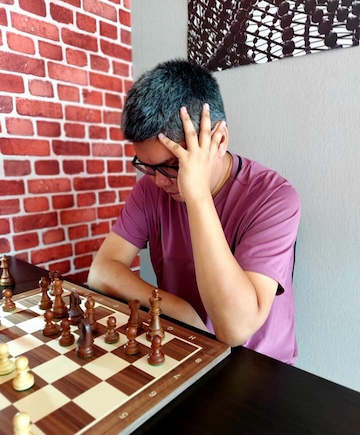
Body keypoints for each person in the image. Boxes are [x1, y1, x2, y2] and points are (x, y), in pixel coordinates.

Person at [88, 59, 301, 364]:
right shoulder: (151, 189)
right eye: (146, 167)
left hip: (259, 364)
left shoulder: (275, 198)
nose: (159, 181)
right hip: (186, 345)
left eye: (172, 165)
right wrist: (178, 309)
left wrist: (197, 194)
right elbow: (101, 270)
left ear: (219, 140)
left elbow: (235, 329)